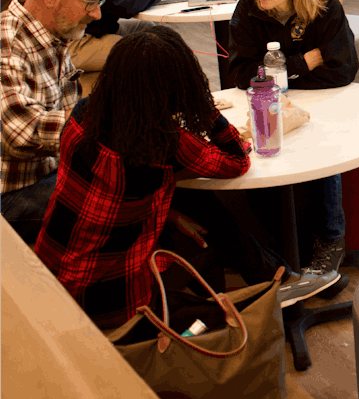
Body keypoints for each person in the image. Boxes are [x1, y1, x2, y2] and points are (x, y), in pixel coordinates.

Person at [33, 26, 322, 329]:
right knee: (210, 220)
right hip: (111, 299)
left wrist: (170, 215)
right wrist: (202, 105)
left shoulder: (83, 114)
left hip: (51, 273)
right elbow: (237, 161)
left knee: (191, 198)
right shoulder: (165, 142)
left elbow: (107, 194)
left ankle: (274, 276)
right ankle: (274, 283)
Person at [227, 0, 358, 294]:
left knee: (322, 142)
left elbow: (342, 70)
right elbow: (239, 75)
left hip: (325, 100)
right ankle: (276, 248)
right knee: (265, 148)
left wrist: (278, 71)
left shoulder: (325, 8)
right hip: (265, 102)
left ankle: (331, 238)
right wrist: (304, 62)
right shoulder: (246, 10)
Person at [0, 0, 103, 243]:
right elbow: (22, 133)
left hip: (44, 174)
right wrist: (107, 122)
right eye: (90, 3)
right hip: (11, 195)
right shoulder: (6, 40)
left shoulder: (52, 34)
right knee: (117, 190)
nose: (96, 13)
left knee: (140, 173)